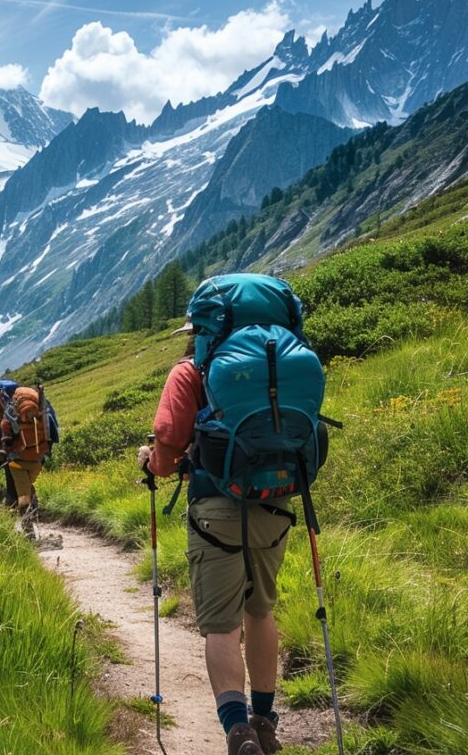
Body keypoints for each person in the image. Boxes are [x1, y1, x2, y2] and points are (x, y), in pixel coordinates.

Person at [136, 320, 290, 755]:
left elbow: (166, 453)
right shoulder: (278, 365)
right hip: (275, 505)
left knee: (222, 628)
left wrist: (151, 461)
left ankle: (238, 733)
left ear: (201, 329)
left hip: (215, 513)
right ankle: (264, 721)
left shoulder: (191, 371)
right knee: (261, 612)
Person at [0, 385, 53, 540]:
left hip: (17, 463)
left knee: (23, 496)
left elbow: (6, 439)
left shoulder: (10, 417)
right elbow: (52, 434)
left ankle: (29, 532)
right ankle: (34, 514)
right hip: (38, 460)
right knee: (28, 489)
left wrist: (5, 448)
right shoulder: (42, 415)